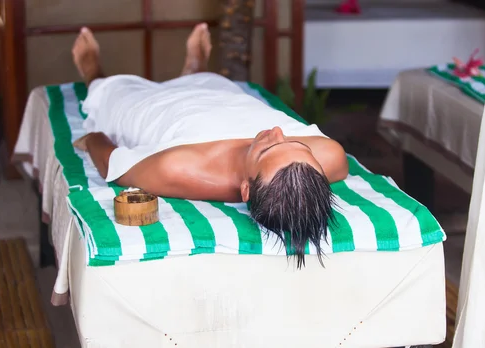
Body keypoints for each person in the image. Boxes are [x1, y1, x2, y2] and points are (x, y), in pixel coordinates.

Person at [71, 23, 349, 267]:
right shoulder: (330, 156)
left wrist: (93, 138)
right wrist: (270, 151)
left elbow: (112, 163)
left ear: (245, 189)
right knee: (216, 84)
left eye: (268, 148)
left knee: (112, 94)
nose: (277, 131)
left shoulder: (181, 167)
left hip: (166, 113)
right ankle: (196, 70)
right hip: (231, 103)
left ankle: (93, 72)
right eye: (297, 143)